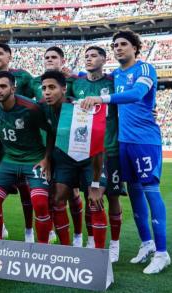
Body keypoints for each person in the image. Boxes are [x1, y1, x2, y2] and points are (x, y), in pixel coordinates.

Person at [81, 29, 170, 274]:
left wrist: (102, 100)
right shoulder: (116, 75)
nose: (118, 48)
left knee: (151, 192)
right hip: (123, 143)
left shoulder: (144, 69)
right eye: (114, 45)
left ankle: (162, 254)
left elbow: (137, 94)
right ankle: (147, 245)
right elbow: (88, 77)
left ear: (135, 48)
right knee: (134, 194)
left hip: (145, 141)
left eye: (123, 44)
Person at [68, 46, 124, 262]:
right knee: (91, 196)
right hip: (87, 151)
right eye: (86, 56)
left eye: (93, 56)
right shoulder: (78, 84)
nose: (89, 59)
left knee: (113, 196)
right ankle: (92, 239)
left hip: (111, 148)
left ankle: (115, 244)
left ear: (104, 59)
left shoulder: (112, 82)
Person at [0, 71, 53, 243]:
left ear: (13, 88)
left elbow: (50, 133)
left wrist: (46, 158)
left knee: (41, 204)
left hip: (33, 160)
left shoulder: (31, 108)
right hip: (9, 160)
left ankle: (42, 248)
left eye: (3, 86)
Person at [39, 70, 103, 247]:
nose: (47, 92)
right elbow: (51, 134)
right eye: (44, 88)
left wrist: (96, 184)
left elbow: (98, 146)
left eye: (52, 87)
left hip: (88, 160)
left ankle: (93, 245)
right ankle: (67, 248)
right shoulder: (43, 108)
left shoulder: (80, 108)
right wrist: (47, 159)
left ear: (64, 89)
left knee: (94, 200)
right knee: (57, 199)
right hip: (64, 160)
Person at [0, 43, 35, 242]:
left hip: (26, 144)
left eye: (0, 53)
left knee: (28, 193)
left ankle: (30, 230)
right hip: (0, 146)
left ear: (9, 56)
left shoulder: (24, 76)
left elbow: (41, 91)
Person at [32, 46, 84, 246]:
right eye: (46, 57)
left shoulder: (73, 80)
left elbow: (94, 83)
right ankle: (56, 233)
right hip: (49, 148)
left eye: (54, 57)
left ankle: (78, 235)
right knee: (54, 194)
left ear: (63, 60)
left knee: (74, 194)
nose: (50, 60)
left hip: (74, 150)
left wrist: (77, 74)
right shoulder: (38, 82)